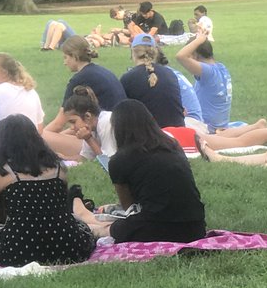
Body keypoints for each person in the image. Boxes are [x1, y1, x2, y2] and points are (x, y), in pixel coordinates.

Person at [0, 115, 96, 266]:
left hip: (18, 251)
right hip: (68, 246)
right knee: (78, 220)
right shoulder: (58, 168)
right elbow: (62, 210)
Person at [78, 100, 207, 243]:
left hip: (159, 227)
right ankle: (90, 217)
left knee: (107, 229)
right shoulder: (173, 146)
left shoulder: (119, 161)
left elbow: (129, 208)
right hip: (196, 227)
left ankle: (87, 219)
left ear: (117, 128)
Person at [42, 37, 125, 155]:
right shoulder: (102, 71)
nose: (64, 62)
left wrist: (40, 138)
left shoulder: (79, 79)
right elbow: (78, 123)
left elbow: (58, 123)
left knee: (43, 137)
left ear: (75, 56)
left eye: (66, 57)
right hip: (116, 131)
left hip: (105, 139)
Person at [0, 53, 45, 148]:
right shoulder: (31, 91)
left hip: (1, 156)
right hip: (31, 154)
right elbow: (39, 129)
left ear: (5, 72)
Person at [176, 29, 234, 131]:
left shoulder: (208, 72)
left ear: (194, 54)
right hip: (221, 126)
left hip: (207, 128)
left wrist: (199, 40)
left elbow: (180, 56)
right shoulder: (222, 68)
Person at [45, 86, 116, 165]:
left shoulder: (106, 122)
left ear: (87, 116)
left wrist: (89, 139)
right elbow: (85, 158)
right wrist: (62, 158)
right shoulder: (90, 128)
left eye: (73, 122)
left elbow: (108, 163)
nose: (72, 127)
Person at [121, 41, 185, 128]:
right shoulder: (170, 73)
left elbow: (120, 114)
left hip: (151, 137)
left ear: (133, 54)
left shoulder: (128, 78)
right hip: (178, 133)